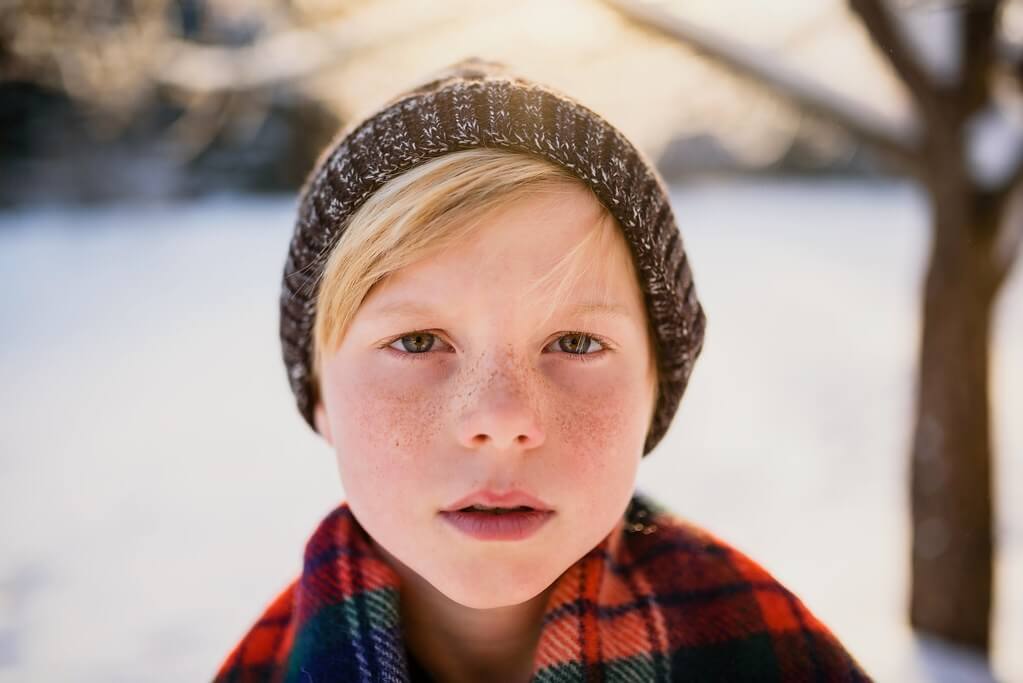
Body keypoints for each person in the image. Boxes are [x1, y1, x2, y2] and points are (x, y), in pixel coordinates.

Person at [213, 58, 872, 682]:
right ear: (320, 394)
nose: (501, 420)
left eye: (576, 342)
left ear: (655, 390)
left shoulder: (772, 654)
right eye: (417, 340)